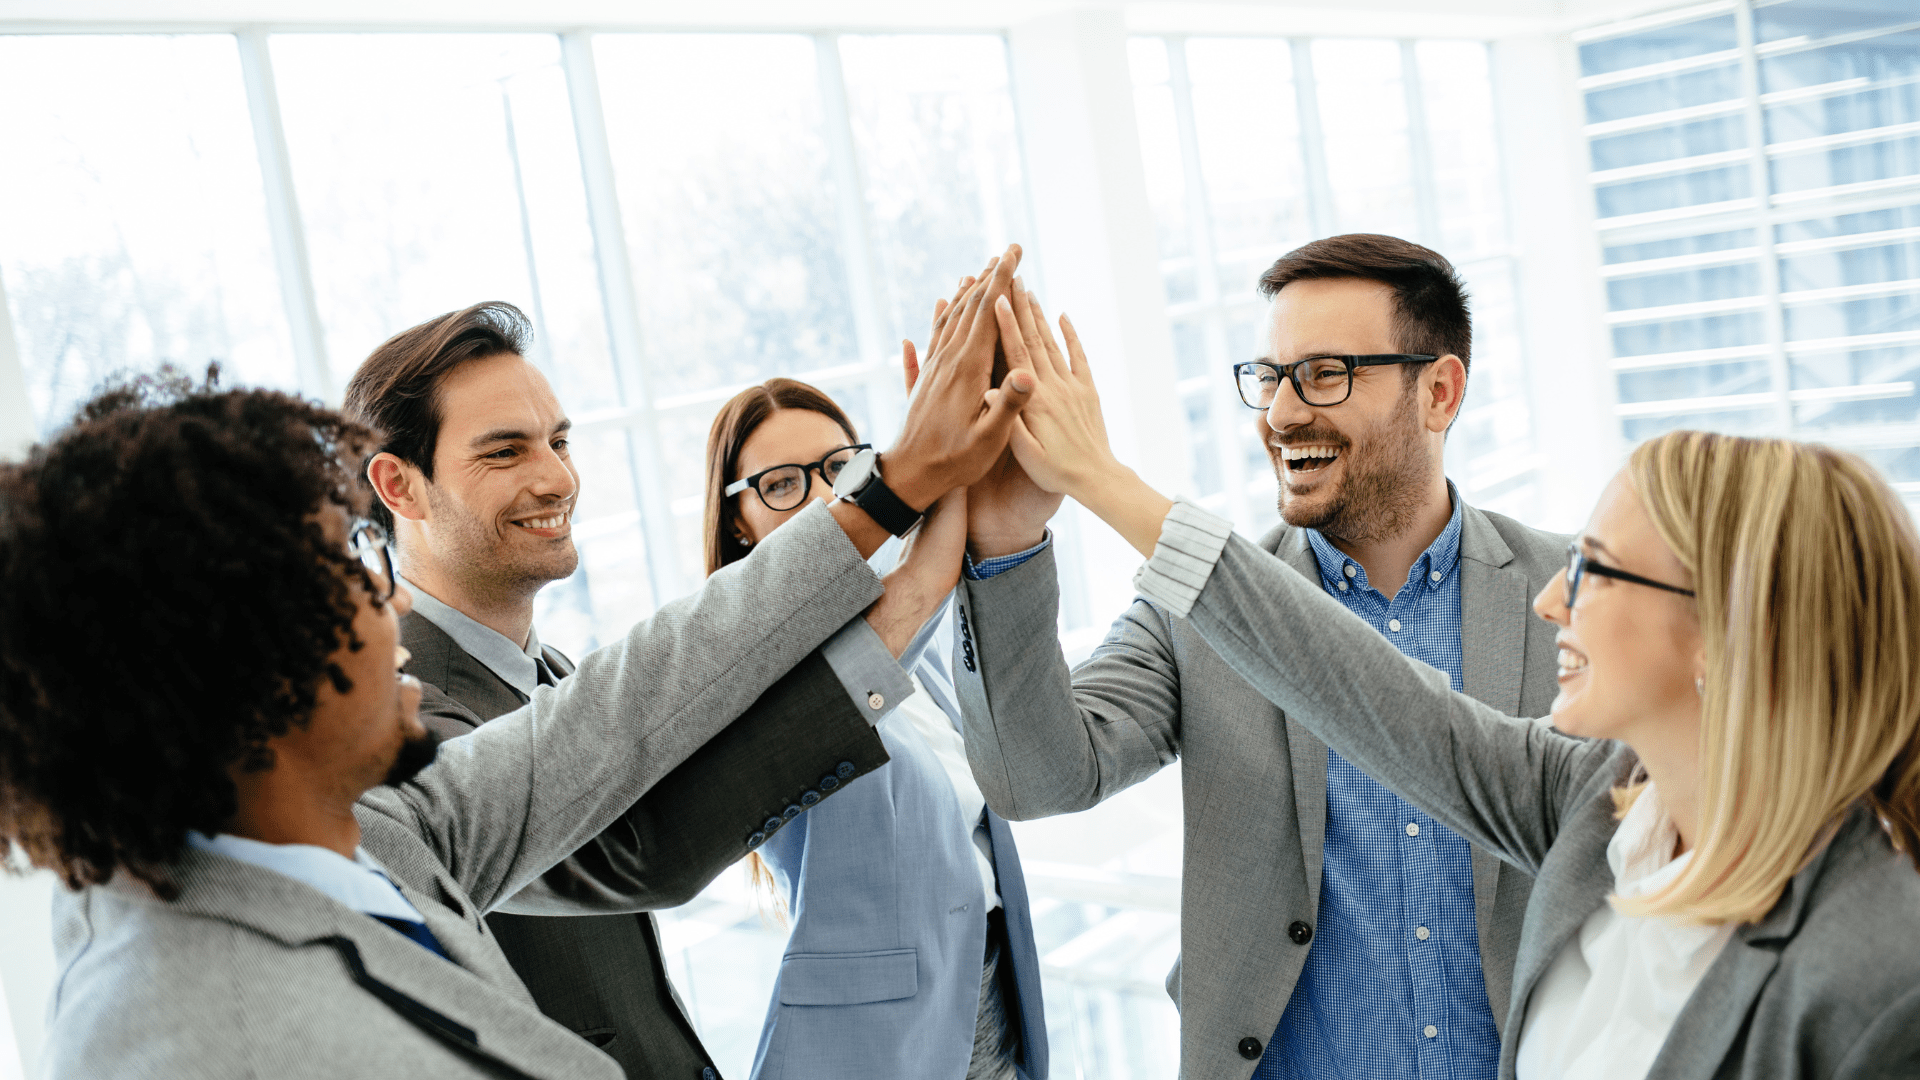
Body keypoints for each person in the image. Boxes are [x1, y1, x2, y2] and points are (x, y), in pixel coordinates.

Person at [1, 244, 1034, 1079]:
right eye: (346, 574)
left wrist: (901, 491)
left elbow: (637, 697)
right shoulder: (160, 1037)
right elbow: (643, 833)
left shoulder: (394, 830)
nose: (382, 598)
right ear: (238, 665)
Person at [989, 278, 1920, 1077]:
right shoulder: (1598, 797)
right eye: (1271, 377)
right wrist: (1073, 498)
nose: (1558, 597)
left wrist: (1103, 477)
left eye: (1597, 570)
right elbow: (1364, 689)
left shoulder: (1879, 969)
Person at [954, 237, 1562, 1078]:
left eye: (1325, 374)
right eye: (1270, 377)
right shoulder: (1193, 617)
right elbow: (1036, 777)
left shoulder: (1570, 599)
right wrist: (1008, 537)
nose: (1280, 415)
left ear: (1440, 391)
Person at [343, 300, 928, 1079]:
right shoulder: (395, 720)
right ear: (398, 485)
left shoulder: (554, 677)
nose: (557, 478)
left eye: (558, 441)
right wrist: (907, 541)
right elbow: (645, 845)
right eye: (505, 452)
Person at [703, 374, 1046, 1080]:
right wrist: (946, 465)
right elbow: (926, 581)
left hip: (986, 996)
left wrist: (953, 465)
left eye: (841, 469)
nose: (824, 498)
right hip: (881, 1043)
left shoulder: (924, 651)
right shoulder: (741, 661)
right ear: (738, 519)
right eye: (781, 484)